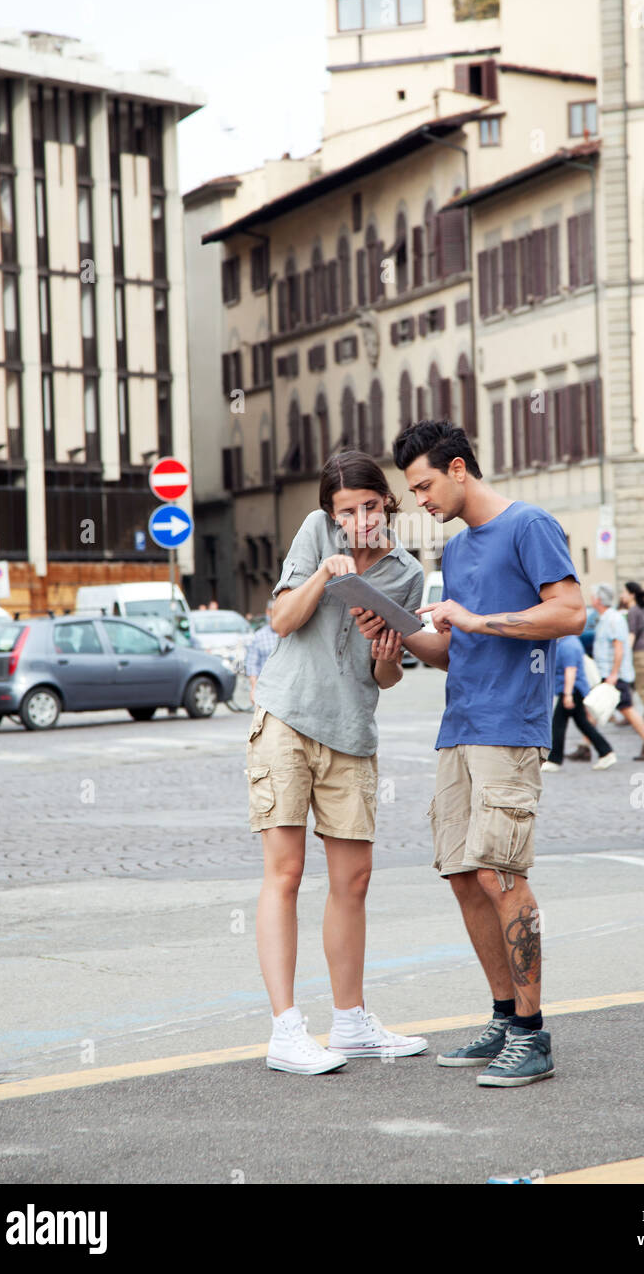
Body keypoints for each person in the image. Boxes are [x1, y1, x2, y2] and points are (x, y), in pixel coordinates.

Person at [355, 419, 585, 1089]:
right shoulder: (455, 553)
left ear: (459, 468)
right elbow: (450, 649)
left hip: (508, 725)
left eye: (424, 484)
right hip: (458, 724)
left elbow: (570, 611)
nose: (419, 498)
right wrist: (395, 633)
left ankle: (534, 1035)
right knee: (462, 873)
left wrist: (480, 619)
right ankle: (506, 1014)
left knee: (501, 873)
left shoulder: (529, 524)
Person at [247, 449, 427, 1073]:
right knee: (287, 872)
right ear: (331, 512)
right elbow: (281, 618)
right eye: (347, 511)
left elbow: (387, 674)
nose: (361, 520)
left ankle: (349, 1023)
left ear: (388, 502)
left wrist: (385, 648)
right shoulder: (315, 533)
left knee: (353, 881)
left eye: (371, 507)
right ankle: (286, 1030)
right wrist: (326, 574)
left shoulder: (407, 571)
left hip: (353, 730)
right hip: (288, 718)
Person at [591, 584, 644, 761]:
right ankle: (585, 745)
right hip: (608, 673)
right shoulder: (607, 618)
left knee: (626, 708)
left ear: (598, 600)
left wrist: (614, 673)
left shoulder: (613, 619)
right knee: (595, 708)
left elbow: (619, 648)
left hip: (613, 674)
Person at [542, 633, 616, 771]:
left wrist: (568, 694)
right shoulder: (568, 642)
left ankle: (555, 760)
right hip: (573, 690)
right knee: (582, 724)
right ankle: (606, 752)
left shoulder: (569, 645)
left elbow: (571, 670)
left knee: (559, 725)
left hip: (572, 690)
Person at [621, 581, 644, 732]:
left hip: (638, 653)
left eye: (624, 592)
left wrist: (625, 653)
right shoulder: (639, 610)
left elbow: (632, 634)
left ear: (631, 595)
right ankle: (629, 714)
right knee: (635, 687)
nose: (622, 595)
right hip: (643, 652)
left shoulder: (632, 611)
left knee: (641, 687)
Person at [246, 599, 279, 708]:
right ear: (268, 612)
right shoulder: (259, 636)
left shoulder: (292, 635)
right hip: (266, 690)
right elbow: (252, 665)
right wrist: (253, 688)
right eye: (275, 610)